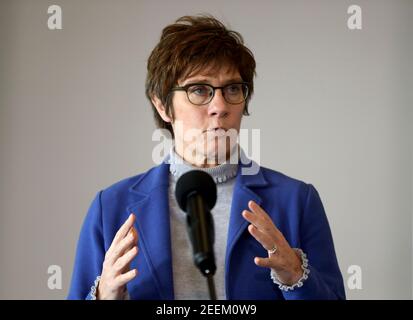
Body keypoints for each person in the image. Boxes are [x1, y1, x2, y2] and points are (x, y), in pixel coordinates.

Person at [67, 14, 345, 300]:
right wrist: (102, 297)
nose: (220, 106)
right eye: (199, 90)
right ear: (162, 105)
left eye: (233, 89)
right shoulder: (111, 207)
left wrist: (296, 276)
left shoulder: (297, 201)